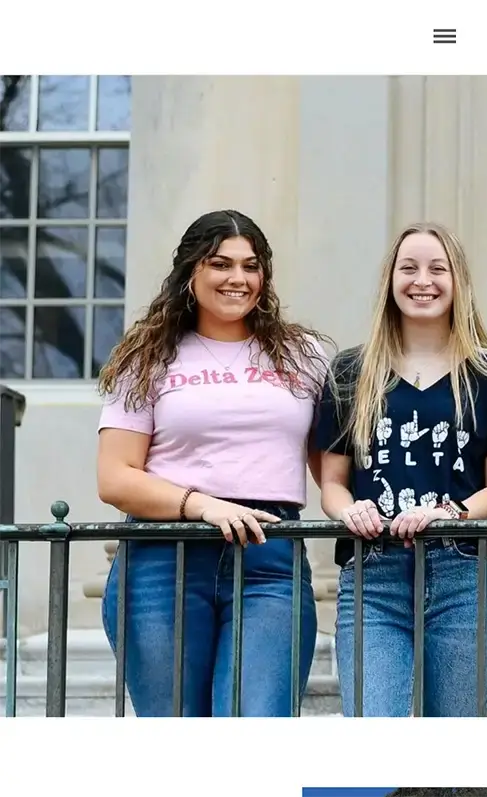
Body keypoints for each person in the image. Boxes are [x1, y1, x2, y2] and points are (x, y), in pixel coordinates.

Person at [95, 209, 329, 716]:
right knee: (177, 738)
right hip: (163, 560)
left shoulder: (302, 354)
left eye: (251, 266)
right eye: (220, 264)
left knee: (255, 726)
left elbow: (331, 466)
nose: (237, 279)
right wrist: (203, 505)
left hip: (270, 558)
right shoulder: (147, 356)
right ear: (191, 272)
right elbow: (114, 477)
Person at [315, 222, 487, 717]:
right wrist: (352, 511)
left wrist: (448, 512)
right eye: (408, 268)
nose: (421, 280)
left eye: (437, 268)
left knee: (453, 755)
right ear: (390, 280)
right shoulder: (352, 372)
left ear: (458, 282)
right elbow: (332, 484)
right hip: (373, 574)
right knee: (374, 739)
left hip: (461, 574)